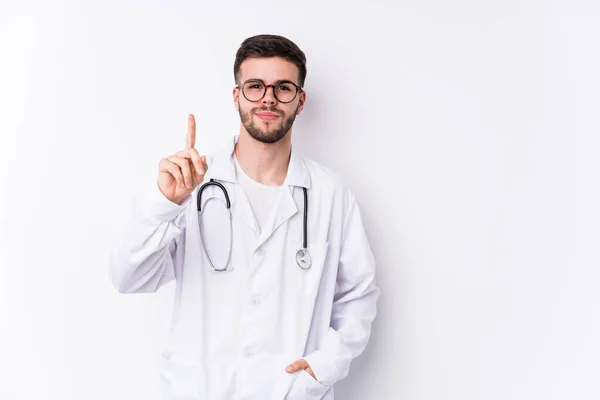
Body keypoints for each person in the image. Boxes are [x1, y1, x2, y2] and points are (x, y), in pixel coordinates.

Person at [109, 34, 380, 400]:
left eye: (283, 87)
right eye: (255, 86)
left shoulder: (330, 194)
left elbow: (358, 296)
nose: (268, 98)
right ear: (236, 96)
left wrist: (324, 366)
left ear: (300, 102)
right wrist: (164, 204)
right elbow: (128, 278)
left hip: (287, 392)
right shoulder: (192, 183)